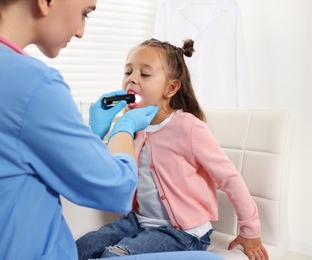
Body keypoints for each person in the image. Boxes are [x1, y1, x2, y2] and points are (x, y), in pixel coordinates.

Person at [0, 0, 163, 259]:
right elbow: (117, 190)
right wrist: (123, 130)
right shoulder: (32, 82)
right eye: (85, 14)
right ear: (46, 2)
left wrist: (92, 134)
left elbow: (22, 167)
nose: (81, 31)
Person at [76, 38, 270, 260]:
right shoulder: (129, 128)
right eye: (128, 72)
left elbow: (230, 179)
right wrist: (98, 134)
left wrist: (250, 230)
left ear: (171, 88)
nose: (132, 80)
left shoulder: (189, 128)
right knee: (78, 248)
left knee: (114, 256)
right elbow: (107, 172)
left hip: (184, 233)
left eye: (145, 74)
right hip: (138, 222)